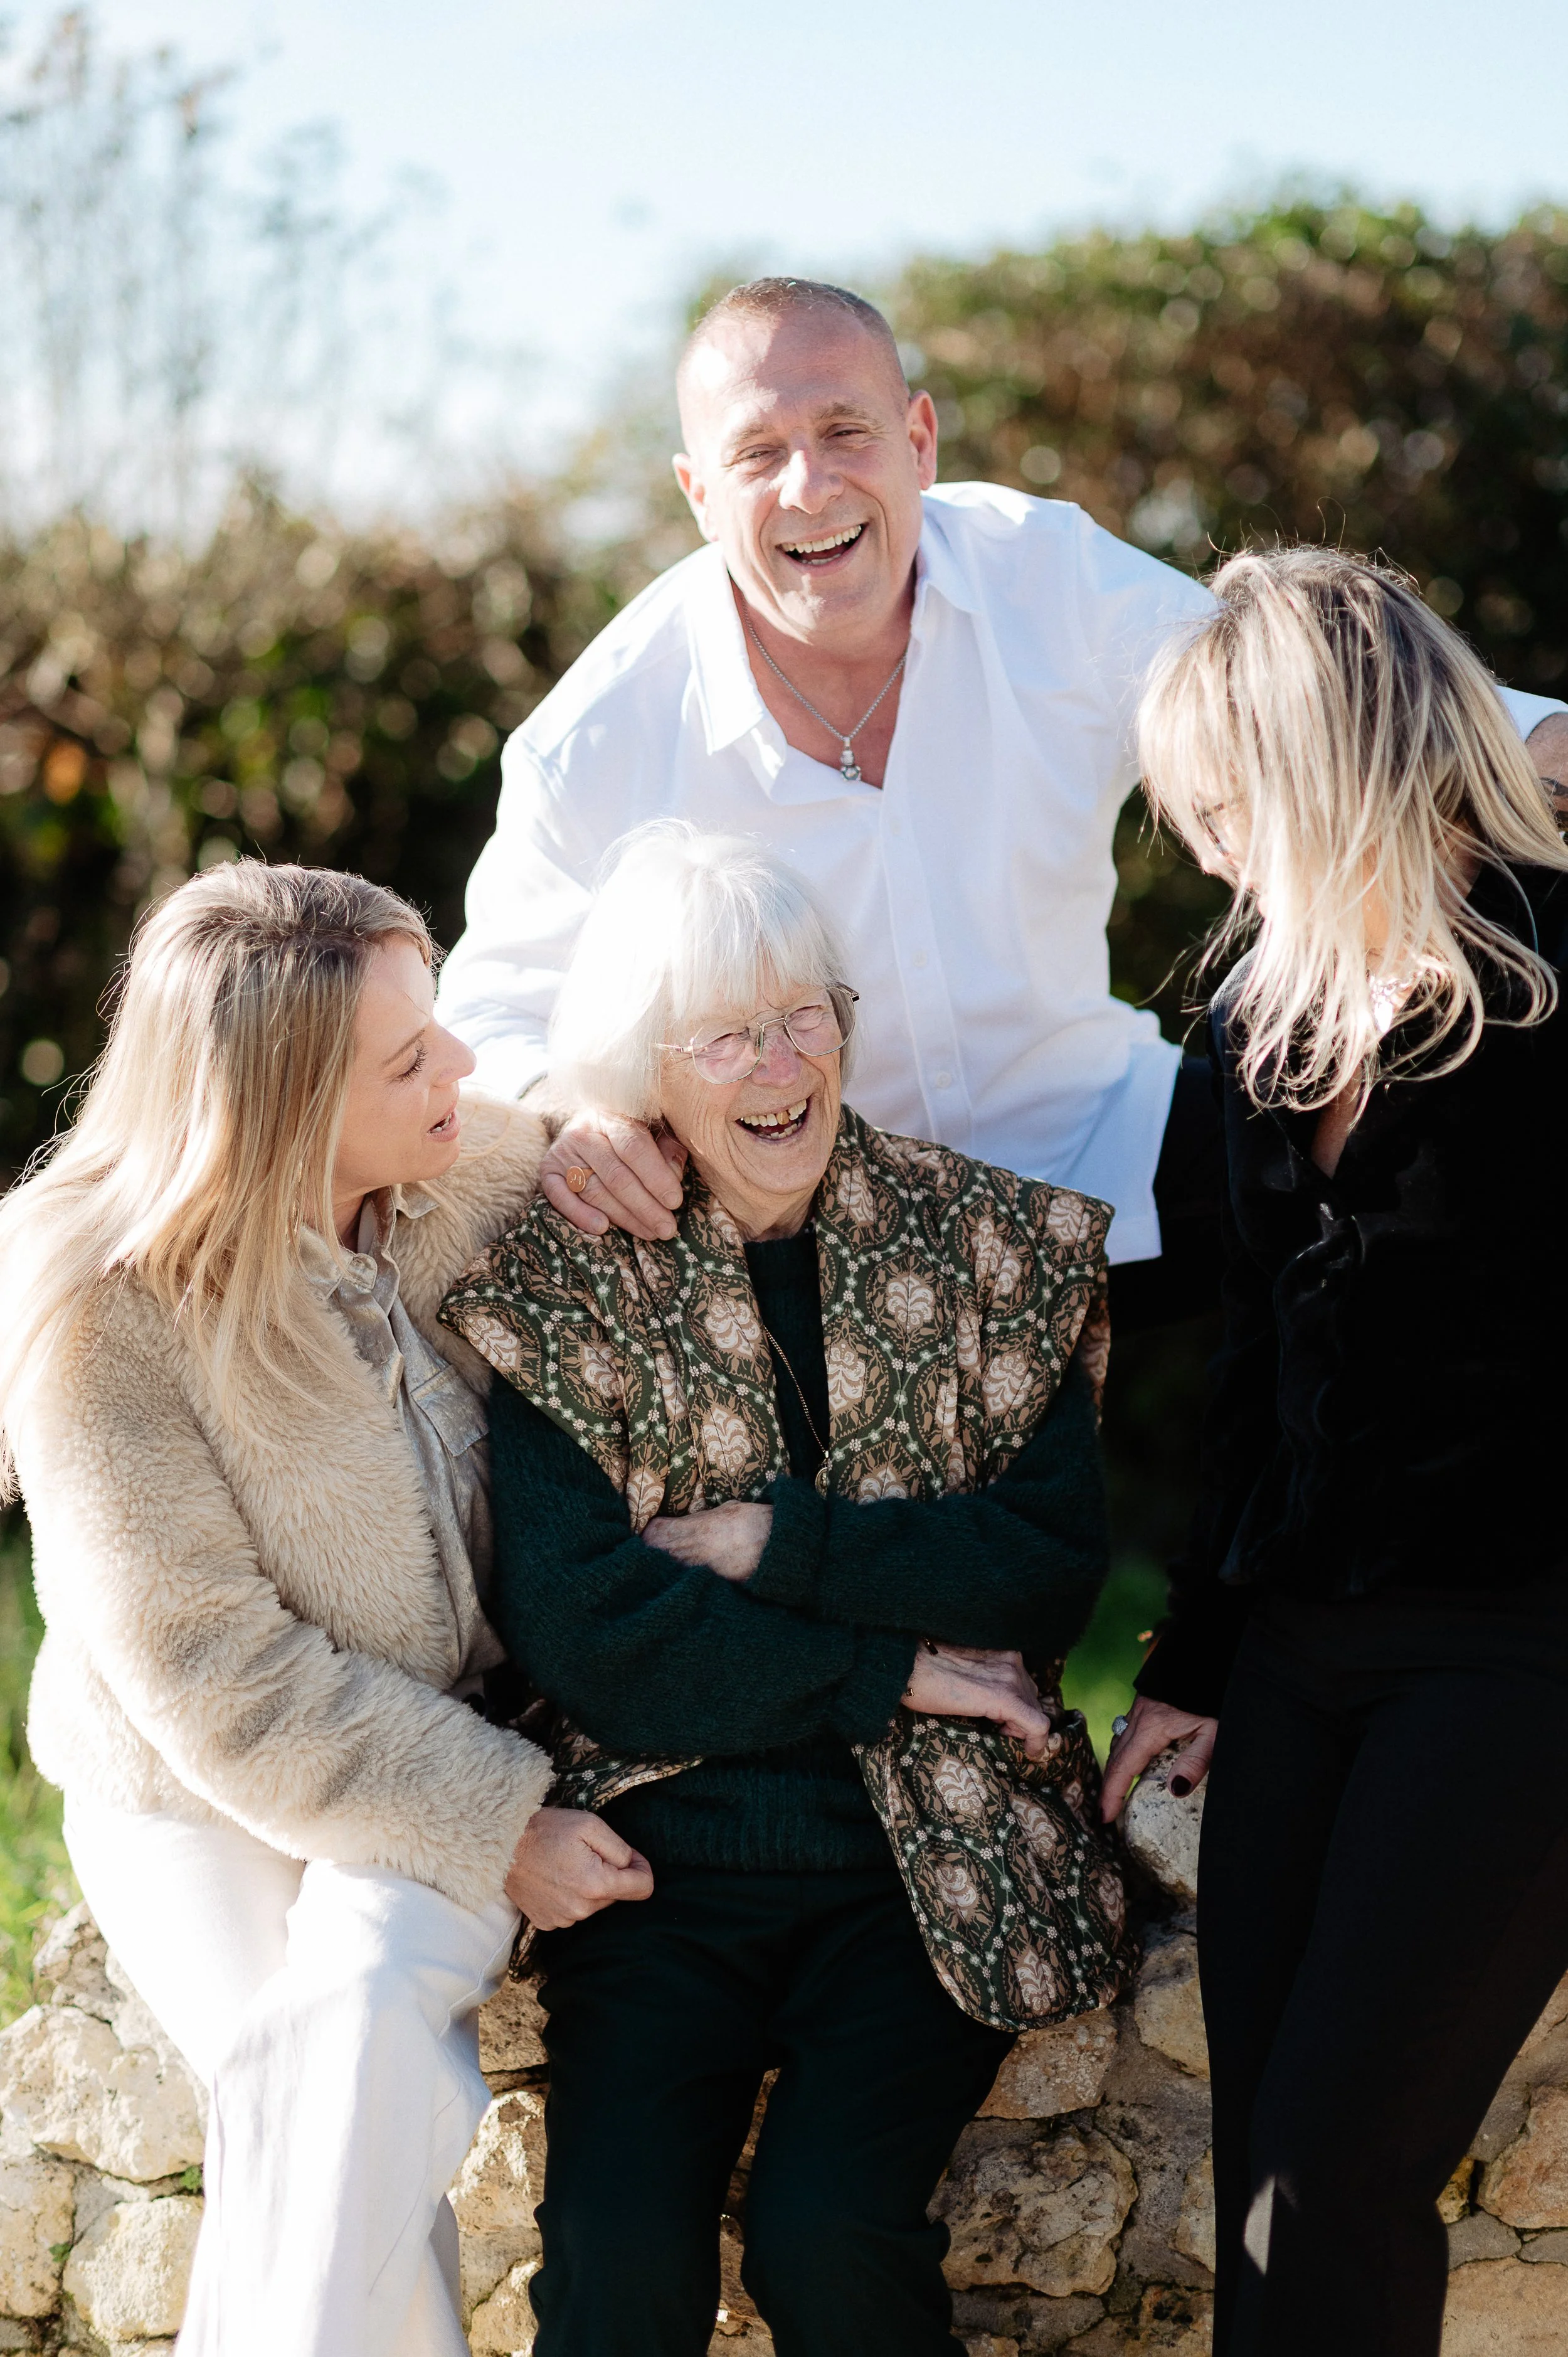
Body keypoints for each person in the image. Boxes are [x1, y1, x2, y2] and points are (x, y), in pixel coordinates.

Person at [433, 272, 1568, 1323]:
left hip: (1117, 1153)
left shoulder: (1046, 571)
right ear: (695, 492)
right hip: (817, 1241)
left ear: (919, 440)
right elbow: (486, 1014)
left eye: (845, 431)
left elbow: (1309, 701)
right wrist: (572, 1116)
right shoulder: (596, 735)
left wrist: (1537, 746)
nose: (809, 484)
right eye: (756, 453)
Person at [439, 822, 1126, 2357]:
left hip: (931, 1863)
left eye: (803, 1014)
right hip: (659, 1866)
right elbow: (594, 1627)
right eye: (728, 1034)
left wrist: (782, 1546)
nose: (778, 1065)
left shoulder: (993, 1249)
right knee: (618, 2275)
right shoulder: (575, 1280)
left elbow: (1045, 1570)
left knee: (831, 2243)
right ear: (644, 1070)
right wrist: (885, 1668)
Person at [0, 862, 654, 2357]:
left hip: (452, 1721)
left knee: (349, 2033)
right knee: (300, 2076)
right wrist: (500, 1824)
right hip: (192, 1785)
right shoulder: (95, 1302)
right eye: (411, 1057)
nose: (463, 1069)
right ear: (284, 1104)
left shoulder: (464, 1164)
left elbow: (575, 1133)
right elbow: (210, 1672)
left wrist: (607, 1132)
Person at [1099, 550, 1568, 2357]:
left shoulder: (1552, 976)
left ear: (1327, 766)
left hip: (1521, 1649)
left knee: (1331, 2171)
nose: (1207, 846)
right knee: (1260, 2188)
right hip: (1303, 1653)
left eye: (1223, 802)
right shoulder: (1258, 1021)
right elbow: (1256, 1373)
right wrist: (1197, 1656)